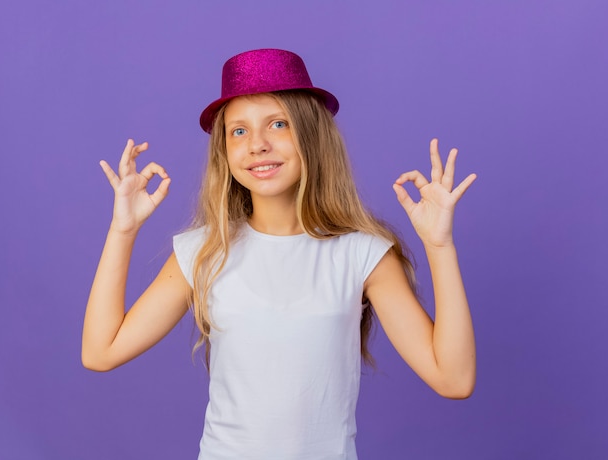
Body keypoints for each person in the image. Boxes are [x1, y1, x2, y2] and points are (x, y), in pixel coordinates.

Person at [82, 48, 477, 459]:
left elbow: (454, 379)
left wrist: (439, 245)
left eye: (278, 124)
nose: (257, 145)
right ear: (224, 151)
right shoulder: (204, 251)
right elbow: (101, 351)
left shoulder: (362, 255)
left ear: (311, 135)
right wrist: (122, 230)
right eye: (238, 131)